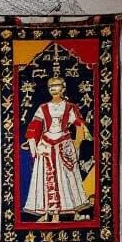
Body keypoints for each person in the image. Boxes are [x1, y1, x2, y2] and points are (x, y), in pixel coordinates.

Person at [22, 73, 91, 221]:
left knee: (68, 179)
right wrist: (33, 143)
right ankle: (50, 212)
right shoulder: (43, 108)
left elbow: (79, 125)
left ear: (63, 88)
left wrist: (76, 144)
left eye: (57, 86)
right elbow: (34, 127)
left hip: (64, 145)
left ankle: (72, 211)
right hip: (46, 145)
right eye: (51, 87)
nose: (54, 89)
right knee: (47, 179)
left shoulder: (70, 108)